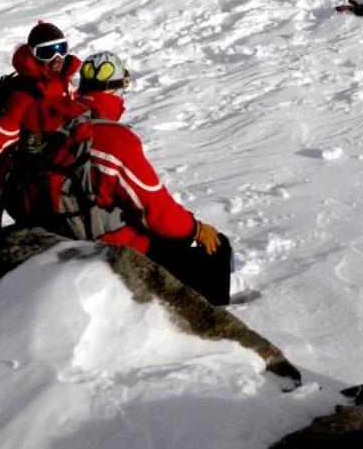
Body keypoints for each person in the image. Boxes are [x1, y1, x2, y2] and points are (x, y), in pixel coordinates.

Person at [39, 52, 234, 305]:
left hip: (61, 231)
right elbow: (158, 213)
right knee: (217, 250)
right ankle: (210, 329)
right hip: (110, 246)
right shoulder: (115, 139)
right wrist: (196, 229)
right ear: (115, 90)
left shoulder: (61, 124)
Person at [0, 20, 83, 229]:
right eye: (47, 52)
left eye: (61, 49)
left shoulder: (63, 83)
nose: (57, 58)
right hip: (24, 181)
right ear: (33, 54)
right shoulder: (27, 96)